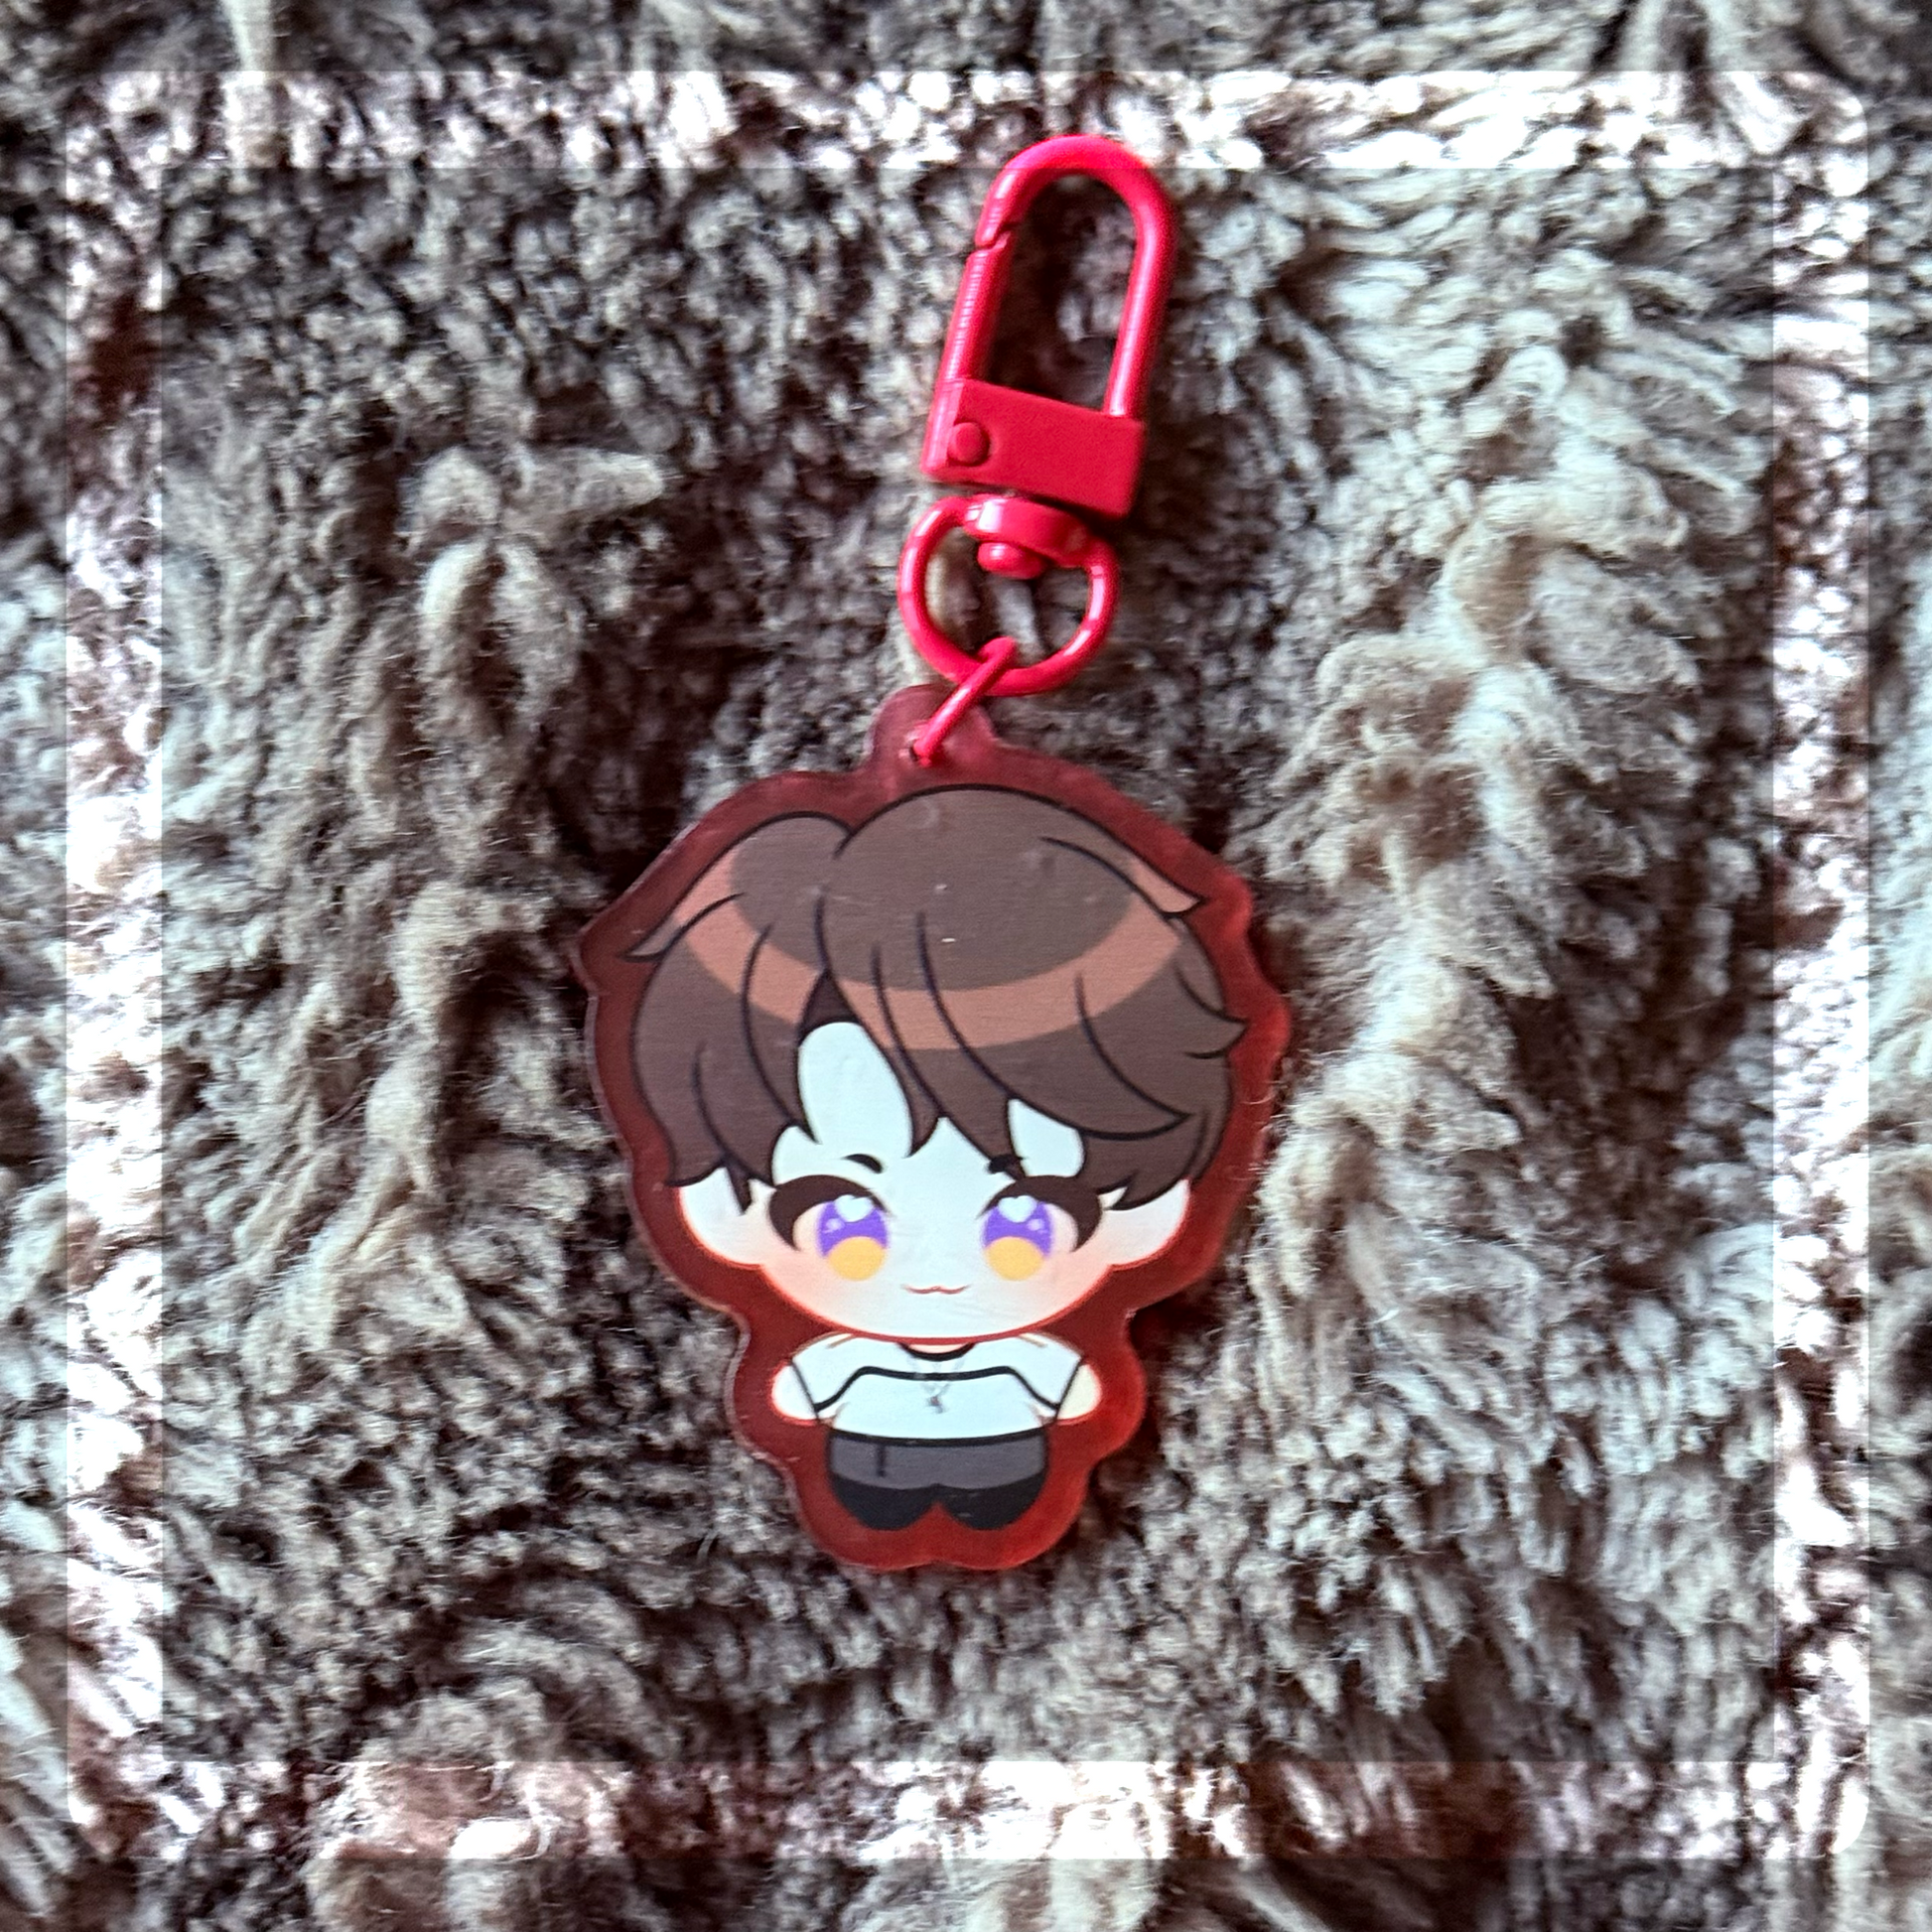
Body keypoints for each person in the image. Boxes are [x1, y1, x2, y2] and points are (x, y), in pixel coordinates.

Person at [627, 787, 1244, 1533]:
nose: (938, 1275)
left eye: (1022, 1222)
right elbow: (800, 1391)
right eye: (847, 1223)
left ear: (1149, 1209)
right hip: (868, 1452)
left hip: (1009, 1451)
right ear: (721, 1209)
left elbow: (1075, 1390)